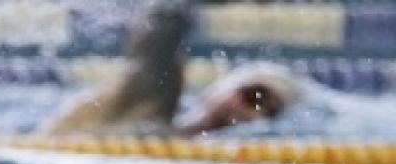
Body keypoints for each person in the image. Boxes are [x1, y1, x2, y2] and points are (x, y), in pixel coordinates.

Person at [43, 0, 301, 137]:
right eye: (254, 97)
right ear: (218, 90)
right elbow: (163, 17)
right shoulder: (153, 105)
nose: (253, 116)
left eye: (270, 114)